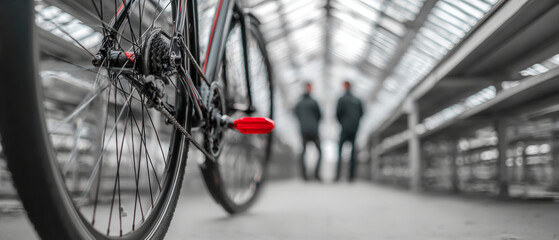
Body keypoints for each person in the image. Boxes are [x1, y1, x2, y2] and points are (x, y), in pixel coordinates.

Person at [335, 80, 363, 182]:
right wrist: (355, 123)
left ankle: (338, 175)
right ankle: (351, 177)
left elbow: (337, 114)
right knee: (352, 153)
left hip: (345, 128)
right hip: (354, 128)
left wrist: (343, 123)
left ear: (345, 86)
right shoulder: (357, 100)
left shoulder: (342, 99)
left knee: (340, 151)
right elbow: (361, 113)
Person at [294, 82, 322, 181]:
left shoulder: (299, 103)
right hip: (314, 130)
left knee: (303, 152)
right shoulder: (314, 102)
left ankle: (304, 175)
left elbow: (296, 114)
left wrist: (303, 123)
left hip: (303, 130)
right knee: (319, 152)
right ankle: (316, 173)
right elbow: (319, 116)